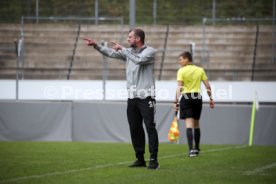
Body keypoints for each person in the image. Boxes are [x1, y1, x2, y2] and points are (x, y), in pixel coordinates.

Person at [84, 28, 159, 169]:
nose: (128, 39)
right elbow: (112, 53)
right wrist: (96, 46)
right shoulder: (128, 52)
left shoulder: (150, 51)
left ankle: (154, 159)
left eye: (130, 37)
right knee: (135, 128)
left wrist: (124, 50)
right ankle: (140, 159)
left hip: (146, 97)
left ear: (138, 39)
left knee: (150, 127)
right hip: (132, 97)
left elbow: (139, 60)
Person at [174, 51, 214, 157]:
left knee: (189, 124)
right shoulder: (200, 70)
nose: (180, 61)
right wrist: (211, 99)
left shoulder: (181, 71)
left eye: (181, 59)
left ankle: (191, 150)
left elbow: (179, 87)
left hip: (186, 97)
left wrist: (176, 101)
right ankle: (196, 149)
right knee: (196, 124)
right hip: (197, 97)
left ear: (187, 59)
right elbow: (207, 86)